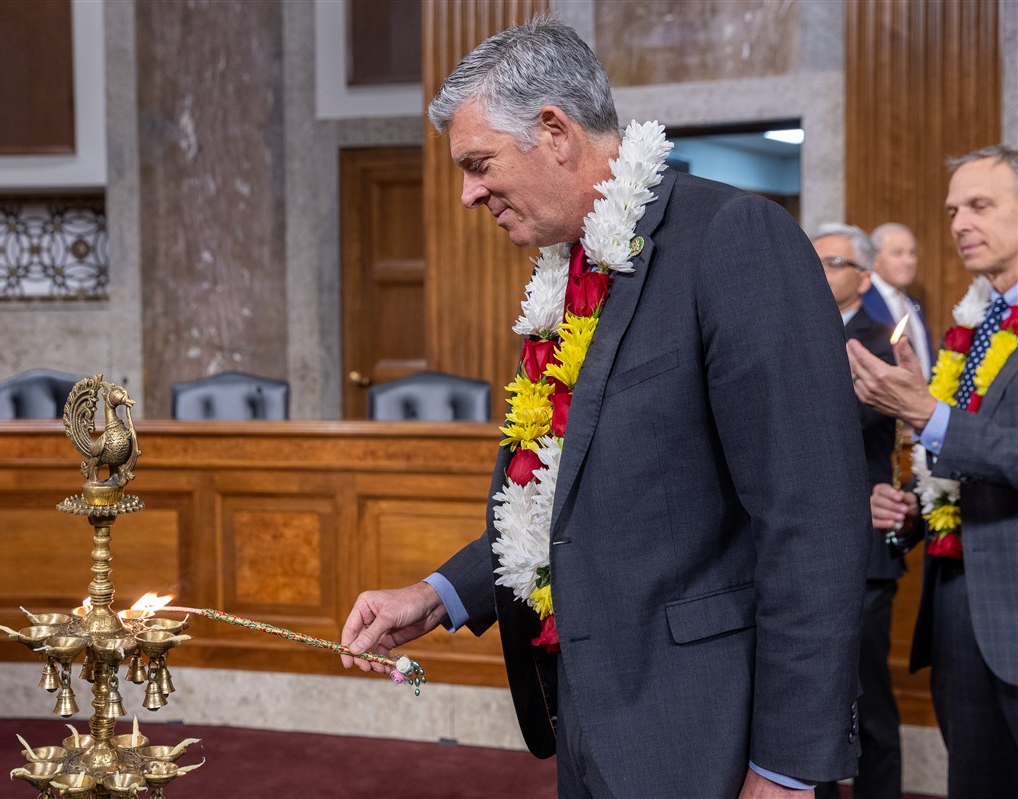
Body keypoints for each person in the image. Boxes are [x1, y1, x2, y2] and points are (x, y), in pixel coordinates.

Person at [341, 17, 869, 799]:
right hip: (591, 716)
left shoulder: (732, 238)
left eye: (479, 164)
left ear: (554, 130)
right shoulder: (568, 275)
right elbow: (570, 503)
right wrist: (438, 595)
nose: (467, 193)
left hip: (705, 726)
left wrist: (789, 766)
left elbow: (813, 522)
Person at [848, 144, 1018, 798]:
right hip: (958, 611)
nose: (958, 224)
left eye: (980, 205)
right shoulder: (975, 321)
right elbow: (973, 457)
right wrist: (916, 506)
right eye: (952, 210)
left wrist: (928, 414)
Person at [810, 223, 903, 799]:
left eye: (832, 262)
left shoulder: (879, 341)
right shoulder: (797, 332)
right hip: (807, 548)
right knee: (811, 705)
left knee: (868, 706)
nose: (817, 272)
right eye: (811, 260)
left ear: (865, 278)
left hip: (866, 550)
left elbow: (845, 426)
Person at [862, 223, 934, 379]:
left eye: (912, 253)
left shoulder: (913, 304)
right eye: (897, 253)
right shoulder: (861, 299)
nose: (908, 261)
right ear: (874, 259)